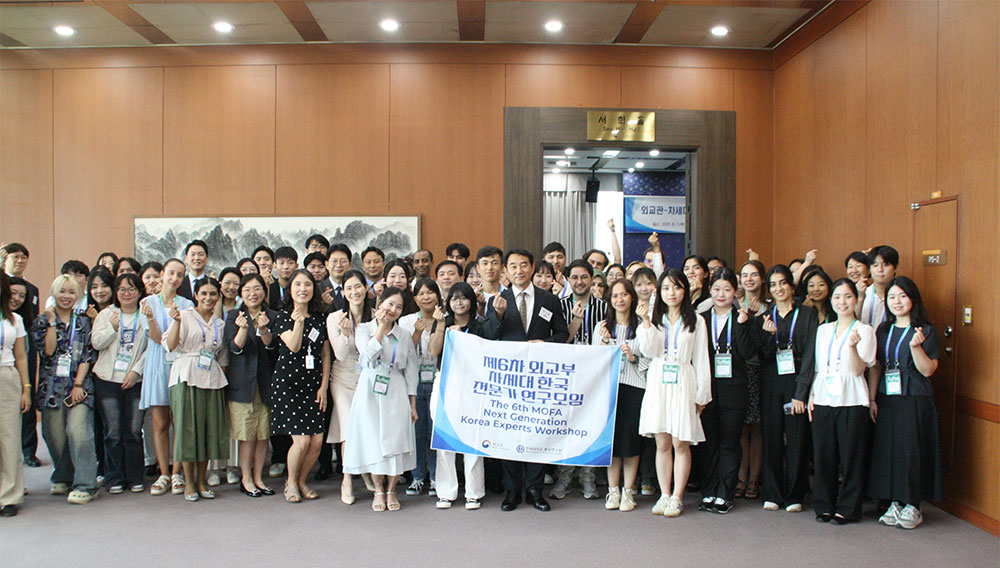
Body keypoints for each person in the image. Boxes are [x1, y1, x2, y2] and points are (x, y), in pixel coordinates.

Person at [483, 248, 569, 512]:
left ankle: (534, 489)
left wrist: (545, 343)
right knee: (509, 434)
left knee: (536, 434)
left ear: (532, 268)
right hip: (509, 381)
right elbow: (488, 337)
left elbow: (563, 334)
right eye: (513, 266)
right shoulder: (498, 300)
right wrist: (496, 316)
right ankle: (512, 491)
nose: (518, 270)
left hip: (539, 381)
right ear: (506, 271)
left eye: (524, 265)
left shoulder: (549, 300)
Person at [868, 276, 942, 530]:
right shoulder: (884, 330)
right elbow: (877, 366)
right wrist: (872, 398)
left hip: (914, 398)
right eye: (891, 297)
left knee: (912, 451)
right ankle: (895, 502)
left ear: (913, 299)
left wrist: (915, 348)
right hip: (888, 399)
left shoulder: (925, 331)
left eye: (902, 296)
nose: (897, 302)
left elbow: (928, 370)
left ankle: (914, 505)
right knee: (889, 451)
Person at [637, 269, 711, 518]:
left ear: (685, 291)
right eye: (667, 288)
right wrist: (646, 323)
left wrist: (702, 395)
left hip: (684, 380)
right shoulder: (653, 316)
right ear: (660, 291)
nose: (672, 293)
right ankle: (664, 494)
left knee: (681, 441)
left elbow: (701, 359)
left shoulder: (697, 320)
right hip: (659, 380)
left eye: (677, 287)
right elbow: (648, 351)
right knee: (663, 442)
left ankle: (678, 496)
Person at [343, 287, 419, 512]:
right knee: (374, 440)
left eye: (398, 306)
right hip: (370, 389)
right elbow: (366, 356)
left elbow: (411, 369)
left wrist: (413, 403)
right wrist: (381, 329)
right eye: (389, 304)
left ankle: (391, 490)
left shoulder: (404, 334)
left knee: (396, 440)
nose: (393, 310)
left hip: (395, 388)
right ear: (379, 305)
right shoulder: (364, 329)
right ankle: (378, 489)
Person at [807, 278, 875, 524]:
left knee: (851, 458)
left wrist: (854, 348)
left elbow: (858, 370)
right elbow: (817, 368)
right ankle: (823, 505)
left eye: (847, 296)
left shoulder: (865, 330)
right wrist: (812, 395)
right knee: (824, 456)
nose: (842, 302)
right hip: (824, 398)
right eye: (837, 297)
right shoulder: (823, 329)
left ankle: (848, 508)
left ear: (856, 300)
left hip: (852, 400)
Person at [31, 274, 99, 504]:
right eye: (62, 291)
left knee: (79, 433)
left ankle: (87, 484)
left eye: (71, 292)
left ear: (78, 295)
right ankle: (63, 475)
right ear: (54, 293)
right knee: (54, 436)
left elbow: (88, 355)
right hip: (50, 387)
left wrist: (79, 384)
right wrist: (51, 322)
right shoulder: (41, 321)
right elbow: (48, 352)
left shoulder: (84, 321)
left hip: (79, 385)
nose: (66, 296)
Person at [758, 264, 818, 513]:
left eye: (783, 283)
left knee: (797, 439)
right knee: (771, 437)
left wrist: (801, 393)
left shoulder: (807, 314)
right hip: (772, 378)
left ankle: (795, 494)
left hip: (797, 377)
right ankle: (772, 492)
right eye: (773, 285)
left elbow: (812, 354)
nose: (778, 288)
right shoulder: (766, 315)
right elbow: (761, 356)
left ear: (792, 286)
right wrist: (768, 337)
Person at [696, 268, 757, 514]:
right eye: (717, 289)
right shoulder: (701, 319)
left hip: (734, 391)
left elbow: (747, 352)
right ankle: (709, 491)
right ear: (710, 290)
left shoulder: (743, 318)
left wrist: (743, 326)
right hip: (707, 390)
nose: (722, 294)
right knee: (708, 443)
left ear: (736, 291)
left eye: (728, 289)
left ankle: (725, 493)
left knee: (730, 443)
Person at [164, 277, 230, 502]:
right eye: (204, 294)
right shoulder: (183, 315)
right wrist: (175, 323)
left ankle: (202, 480)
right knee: (188, 430)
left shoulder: (220, 323)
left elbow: (221, 354)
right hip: (186, 375)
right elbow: (170, 346)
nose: (209, 298)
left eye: (213, 294)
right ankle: (189, 482)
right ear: (196, 295)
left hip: (211, 377)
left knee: (208, 431)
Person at [268, 269, 330, 503]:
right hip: (288, 385)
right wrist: (298, 323)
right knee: (302, 440)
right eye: (297, 285)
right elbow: (293, 346)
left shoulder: (319, 318)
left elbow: (325, 353)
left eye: (307, 285)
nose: (303, 289)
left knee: (316, 441)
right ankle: (291, 483)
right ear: (290, 289)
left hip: (313, 385)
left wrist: (324, 386)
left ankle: (303, 480)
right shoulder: (283, 317)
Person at [428, 282, 488, 510]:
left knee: (472, 436)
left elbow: (484, 355)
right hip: (445, 381)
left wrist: (464, 337)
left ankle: (474, 492)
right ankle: (446, 491)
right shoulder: (442, 322)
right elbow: (433, 351)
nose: (459, 302)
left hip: (473, 385)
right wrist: (442, 325)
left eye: (464, 298)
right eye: (454, 298)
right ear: (448, 302)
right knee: (444, 436)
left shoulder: (480, 325)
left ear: (471, 301)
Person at [552, 260, 607, 500]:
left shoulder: (605, 308)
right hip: (567, 377)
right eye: (574, 277)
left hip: (596, 377)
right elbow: (558, 342)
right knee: (566, 426)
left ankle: (588, 478)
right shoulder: (558, 305)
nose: (579, 282)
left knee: (592, 425)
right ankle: (564, 477)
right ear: (568, 280)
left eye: (584, 277)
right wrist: (574, 320)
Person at [90, 273, 149, 495]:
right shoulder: (106, 315)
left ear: (140, 292)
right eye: (122, 289)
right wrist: (112, 329)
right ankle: (114, 476)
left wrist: (136, 371)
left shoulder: (145, 316)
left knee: (133, 431)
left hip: (134, 380)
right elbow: (96, 343)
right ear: (116, 292)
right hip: (107, 380)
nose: (127, 293)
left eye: (132, 289)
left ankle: (135, 476)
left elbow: (149, 348)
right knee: (112, 431)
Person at [139, 258, 193, 496]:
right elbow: (155, 337)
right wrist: (151, 318)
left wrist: (179, 321)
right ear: (162, 274)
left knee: (179, 422)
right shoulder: (147, 302)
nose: (174, 278)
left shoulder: (187, 304)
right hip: (156, 362)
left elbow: (184, 337)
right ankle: (163, 473)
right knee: (160, 423)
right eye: (171, 273)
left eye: (179, 275)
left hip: (179, 363)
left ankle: (177, 473)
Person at [593, 279, 648, 512]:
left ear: (632, 297)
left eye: (624, 294)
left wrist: (633, 358)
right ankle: (613, 490)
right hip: (609, 391)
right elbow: (594, 363)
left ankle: (628, 492)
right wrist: (605, 341)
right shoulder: (602, 326)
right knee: (612, 443)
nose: (620, 300)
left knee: (631, 442)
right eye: (615, 296)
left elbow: (651, 360)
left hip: (635, 389)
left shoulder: (643, 327)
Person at [224, 274, 278, 498]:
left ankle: (258, 477)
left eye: (257, 289)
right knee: (247, 435)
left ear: (264, 293)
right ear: (241, 294)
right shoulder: (233, 315)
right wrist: (243, 330)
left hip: (265, 384)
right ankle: (246, 478)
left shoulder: (272, 316)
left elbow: (274, 348)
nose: (252, 294)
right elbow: (234, 348)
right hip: (242, 386)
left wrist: (264, 331)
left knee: (263, 434)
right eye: (247, 290)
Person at [325, 269, 370, 505]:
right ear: (344, 291)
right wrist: (344, 334)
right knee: (349, 430)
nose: (354, 292)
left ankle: (366, 470)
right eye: (349, 288)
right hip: (342, 379)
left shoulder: (373, 315)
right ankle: (347, 479)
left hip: (367, 379)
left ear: (366, 288)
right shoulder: (334, 317)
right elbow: (341, 354)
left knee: (367, 427)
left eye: (358, 286)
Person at [398, 278, 444, 498]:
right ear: (415, 298)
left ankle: (435, 477)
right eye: (421, 293)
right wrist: (416, 333)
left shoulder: (443, 318)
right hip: (413, 382)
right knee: (416, 433)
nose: (426, 297)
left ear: (437, 295)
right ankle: (417, 477)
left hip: (436, 380)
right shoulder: (406, 321)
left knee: (433, 433)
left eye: (431, 292)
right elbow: (403, 355)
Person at [3, 244, 41, 469]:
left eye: (24, 257)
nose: (20, 261)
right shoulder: (1, 283)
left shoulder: (32, 289)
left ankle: (28, 450)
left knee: (26, 396)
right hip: (4, 344)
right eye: (15, 257)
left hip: (24, 347)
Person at [0, 272, 32, 517]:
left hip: (7, 376)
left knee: (9, 438)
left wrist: (26, 389)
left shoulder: (14, 319)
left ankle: (9, 496)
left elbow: (22, 357)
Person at [736, 260, 767, 500]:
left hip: (760, 372)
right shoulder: (735, 305)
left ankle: (754, 479)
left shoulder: (771, 306)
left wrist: (758, 317)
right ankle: (740, 477)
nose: (749, 279)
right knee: (740, 429)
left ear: (762, 279)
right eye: (744, 275)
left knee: (756, 429)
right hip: (737, 372)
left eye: (754, 275)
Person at [859, 245, 898, 328]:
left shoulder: (901, 297)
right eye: (875, 265)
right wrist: (860, 299)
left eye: (885, 264)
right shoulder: (862, 293)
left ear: (895, 268)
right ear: (869, 269)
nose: (880, 269)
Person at [317, 244, 352, 312]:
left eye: (343, 261)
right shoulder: (318, 290)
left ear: (350, 265)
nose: (338, 265)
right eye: (334, 261)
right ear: (327, 265)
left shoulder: (355, 289)